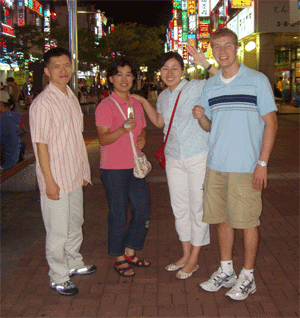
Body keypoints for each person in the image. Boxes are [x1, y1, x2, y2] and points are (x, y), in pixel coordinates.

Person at [193, 28, 277, 300]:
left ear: (237, 48)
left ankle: (248, 276)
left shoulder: (256, 80)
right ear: (213, 52)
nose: (222, 51)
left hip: (246, 166)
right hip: (216, 164)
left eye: (227, 45)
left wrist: (262, 163)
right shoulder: (211, 85)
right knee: (221, 220)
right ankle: (226, 270)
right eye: (217, 47)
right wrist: (200, 117)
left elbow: (271, 123)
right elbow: (210, 126)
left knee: (248, 222)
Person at [132, 48, 218, 279]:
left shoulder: (197, 87)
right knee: (179, 207)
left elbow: (223, 80)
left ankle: (194, 258)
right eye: (165, 68)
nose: (169, 73)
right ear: (160, 71)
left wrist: (206, 63)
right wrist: (141, 101)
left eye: (175, 68)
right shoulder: (162, 96)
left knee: (196, 207)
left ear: (182, 71)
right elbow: (160, 123)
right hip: (173, 157)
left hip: (197, 155)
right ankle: (185, 253)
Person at [29, 47, 96, 296]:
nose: (63, 70)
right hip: (55, 177)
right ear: (47, 71)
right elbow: (41, 145)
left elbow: (74, 139)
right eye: (56, 66)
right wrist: (49, 181)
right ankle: (58, 276)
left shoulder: (70, 96)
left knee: (75, 223)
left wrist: (82, 170)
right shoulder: (42, 104)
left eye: (66, 65)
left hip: (73, 175)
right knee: (57, 230)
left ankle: (74, 262)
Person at [95, 58, 151, 278]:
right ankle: (118, 256)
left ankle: (130, 251)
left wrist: (143, 139)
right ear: (111, 79)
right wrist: (121, 130)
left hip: (135, 167)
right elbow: (103, 139)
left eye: (129, 74)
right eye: (119, 74)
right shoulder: (105, 106)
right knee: (118, 214)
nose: (124, 79)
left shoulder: (136, 104)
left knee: (142, 210)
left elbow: (143, 130)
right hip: (113, 169)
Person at [0, 91, 26, 170]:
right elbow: (23, 131)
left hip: (6, 161)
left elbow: (9, 142)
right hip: (15, 157)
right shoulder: (12, 116)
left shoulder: (5, 118)